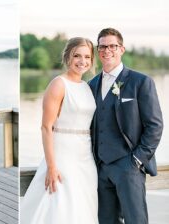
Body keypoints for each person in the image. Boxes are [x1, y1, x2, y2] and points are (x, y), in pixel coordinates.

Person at [89, 28, 163, 224]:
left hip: (129, 166)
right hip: (101, 168)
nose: (107, 50)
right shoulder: (91, 85)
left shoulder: (141, 82)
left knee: (135, 220)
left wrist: (137, 160)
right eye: (102, 46)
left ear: (121, 49)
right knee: (106, 221)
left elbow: (155, 126)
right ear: (98, 51)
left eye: (112, 46)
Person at [20, 37, 98, 223]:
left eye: (87, 57)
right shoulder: (58, 84)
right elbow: (46, 127)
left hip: (85, 154)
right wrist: (52, 166)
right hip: (63, 152)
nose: (82, 61)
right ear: (67, 57)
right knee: (62, 204)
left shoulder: (86, 86)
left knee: (83, 204)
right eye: (77, 55)